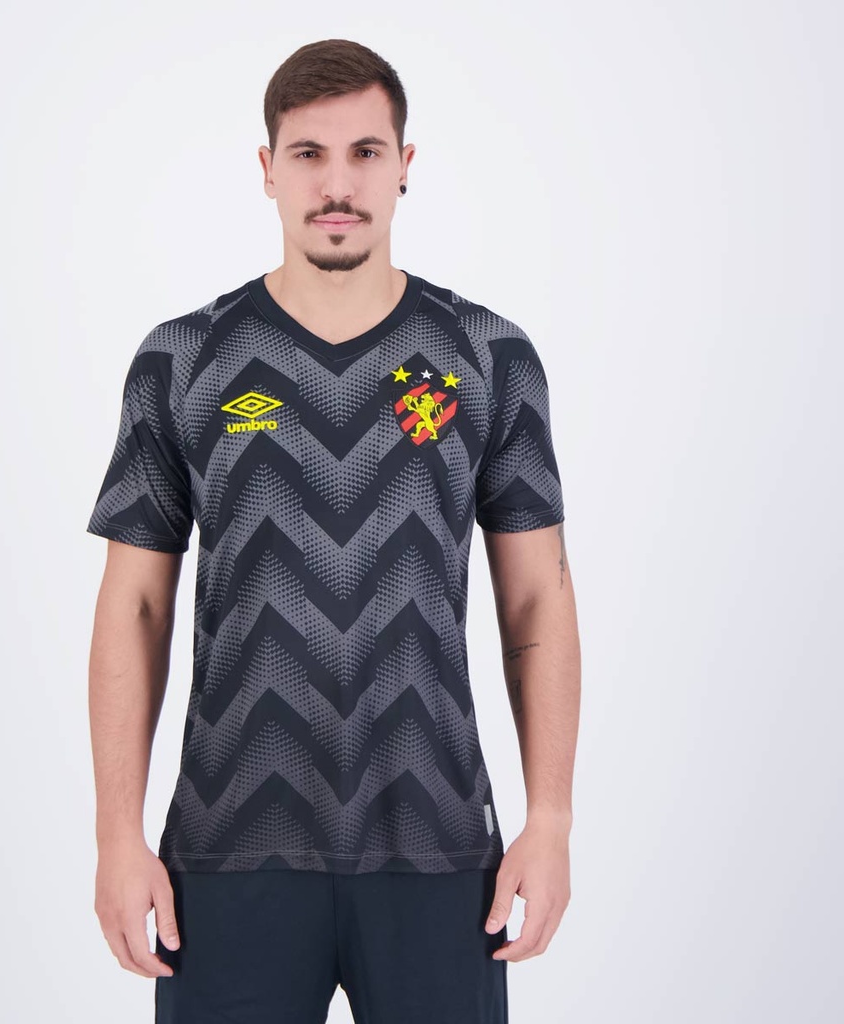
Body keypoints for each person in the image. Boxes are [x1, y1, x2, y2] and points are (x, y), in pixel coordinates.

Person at [85, 37, 581, 1024]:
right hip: (227, 848)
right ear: (267, 169)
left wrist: (552, 818)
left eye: (364, 152)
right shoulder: (183, 362)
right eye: (309, 154)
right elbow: (134, 605)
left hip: (439, 846)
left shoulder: (487, 358)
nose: (338, 184)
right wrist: (115, 836)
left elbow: (537, 599)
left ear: (405, 166)